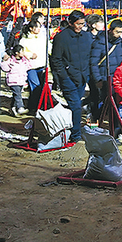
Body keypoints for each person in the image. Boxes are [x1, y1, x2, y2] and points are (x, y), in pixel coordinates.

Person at [49, 10, 93, 143]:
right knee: (76, 106)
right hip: (68, 78)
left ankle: (69, 128)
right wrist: (63, 76)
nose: (80, 26)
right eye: (78, 24)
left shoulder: (87, 36)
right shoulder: (61, 37)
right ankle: (75, 135)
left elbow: (90, 55)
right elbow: (56, 59)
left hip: (82, 77)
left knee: (76, 106)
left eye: (82, 24)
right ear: (70, 23)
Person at [88, 19, 122, 124]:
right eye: (117, 32)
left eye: (121, 32)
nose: (119, 34)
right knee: (107, 102)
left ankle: (115, 125)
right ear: (110, 30)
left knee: (116, 102)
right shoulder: (100, 43)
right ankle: (100, 120)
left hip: (117, 78)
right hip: (105, 77)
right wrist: (98, 79)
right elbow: (93, 62)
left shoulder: (119, 42)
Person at [19, 19, 48, 113]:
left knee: (41, 87)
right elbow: (22, 52)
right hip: (30, 66)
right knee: (35, 87)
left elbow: (48, 48)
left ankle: (39, 106)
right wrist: (30, 55)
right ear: (31, 28)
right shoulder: (24, 40)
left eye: (40, 27)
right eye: (36, 27)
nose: (38, 29)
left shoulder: (43, 38)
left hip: (42, 65)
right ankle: (33, 107)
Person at [1, 44, 31, 116]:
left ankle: (13, 108)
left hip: (21, 80)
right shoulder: (11, 61)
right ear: (17, 53)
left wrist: (29, 59)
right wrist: (4, 61)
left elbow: (29, 66)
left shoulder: (24, 61)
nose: (23, 53)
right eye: (22, 51)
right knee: (18, 95)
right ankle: (20, 107)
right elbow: (5, 68)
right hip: (13, 81)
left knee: (16, 95)